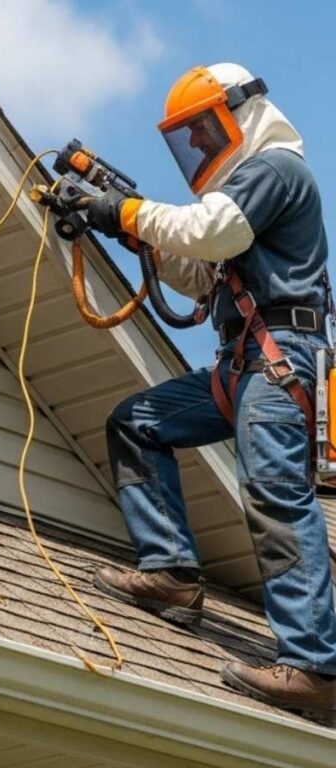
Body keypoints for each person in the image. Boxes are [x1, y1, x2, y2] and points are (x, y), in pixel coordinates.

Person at [85, 63, 336, 725]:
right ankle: (171, 573)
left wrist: (125, 209)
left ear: (238, 113)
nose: (196, 145)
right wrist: (121, 223)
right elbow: (201, 274)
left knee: (276, 492)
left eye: (201, 129)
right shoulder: (244, 194)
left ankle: (313, 666)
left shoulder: (275, 170)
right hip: (242, 365)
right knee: (137, 421)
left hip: (276, 363)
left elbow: (210, 233)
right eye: (189, 135)